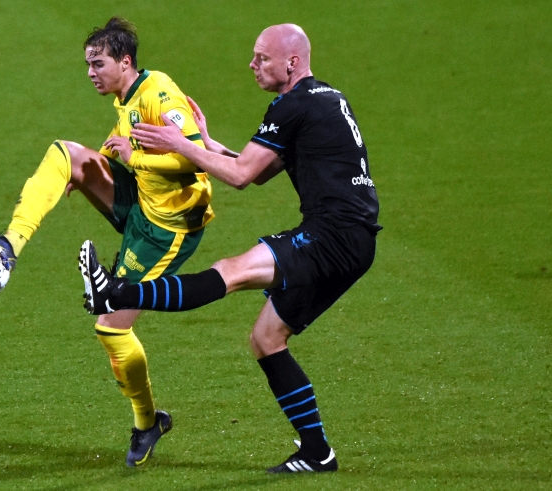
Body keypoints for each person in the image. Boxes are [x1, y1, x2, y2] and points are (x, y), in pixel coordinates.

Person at [78, 23, 380, 474]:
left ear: (291, 63)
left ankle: (116, 294)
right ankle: (318, 454)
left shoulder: (292, 104)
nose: (252, 65)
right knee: (266, 339)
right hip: (354, 239)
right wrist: (204, 141)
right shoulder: (325, 99)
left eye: (262, 58)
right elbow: (256, 169)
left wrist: (182, 145)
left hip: (332, 235)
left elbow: (239, 177)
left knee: (231, 271)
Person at [0, 17, 214, 467]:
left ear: (125, 61)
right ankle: (9, 246)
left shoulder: (160, 94)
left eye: (98, 63)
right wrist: (89, 173)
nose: (90, 72)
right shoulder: (127, 95)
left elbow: (197, 160)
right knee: (68, 156)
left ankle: (147, 422)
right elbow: (121, 155)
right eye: (87, 64)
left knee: (110, 326)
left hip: (168, 229)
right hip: (141, 200)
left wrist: (131, 155)